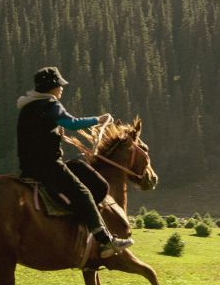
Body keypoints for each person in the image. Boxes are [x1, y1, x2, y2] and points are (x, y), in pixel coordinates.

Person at [16, 66, 134, 257]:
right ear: (51, 87)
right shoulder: (50, 104)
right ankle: (105, 241)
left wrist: (55, 134)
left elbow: (36, 134)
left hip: (29, 167)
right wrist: (98, 119)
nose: (62, 88)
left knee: (78, 166)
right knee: (83, 193)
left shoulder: (28, 107)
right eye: (59, 85)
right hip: (48, 166)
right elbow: (72, 123)